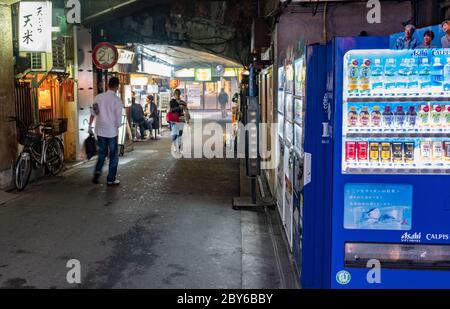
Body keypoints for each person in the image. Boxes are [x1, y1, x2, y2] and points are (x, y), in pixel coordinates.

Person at [89, 77, 123, 186]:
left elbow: (93, 113)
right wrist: (117, 126)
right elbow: (118, 118)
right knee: (113, 155)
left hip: (100, 131)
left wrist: (90, 126)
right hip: (112, 131)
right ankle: (111, 179)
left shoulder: (98, 97)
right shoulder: (117, 100)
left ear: (107, 85)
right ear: (117, 87)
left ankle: (98, 171)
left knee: (102, 153)